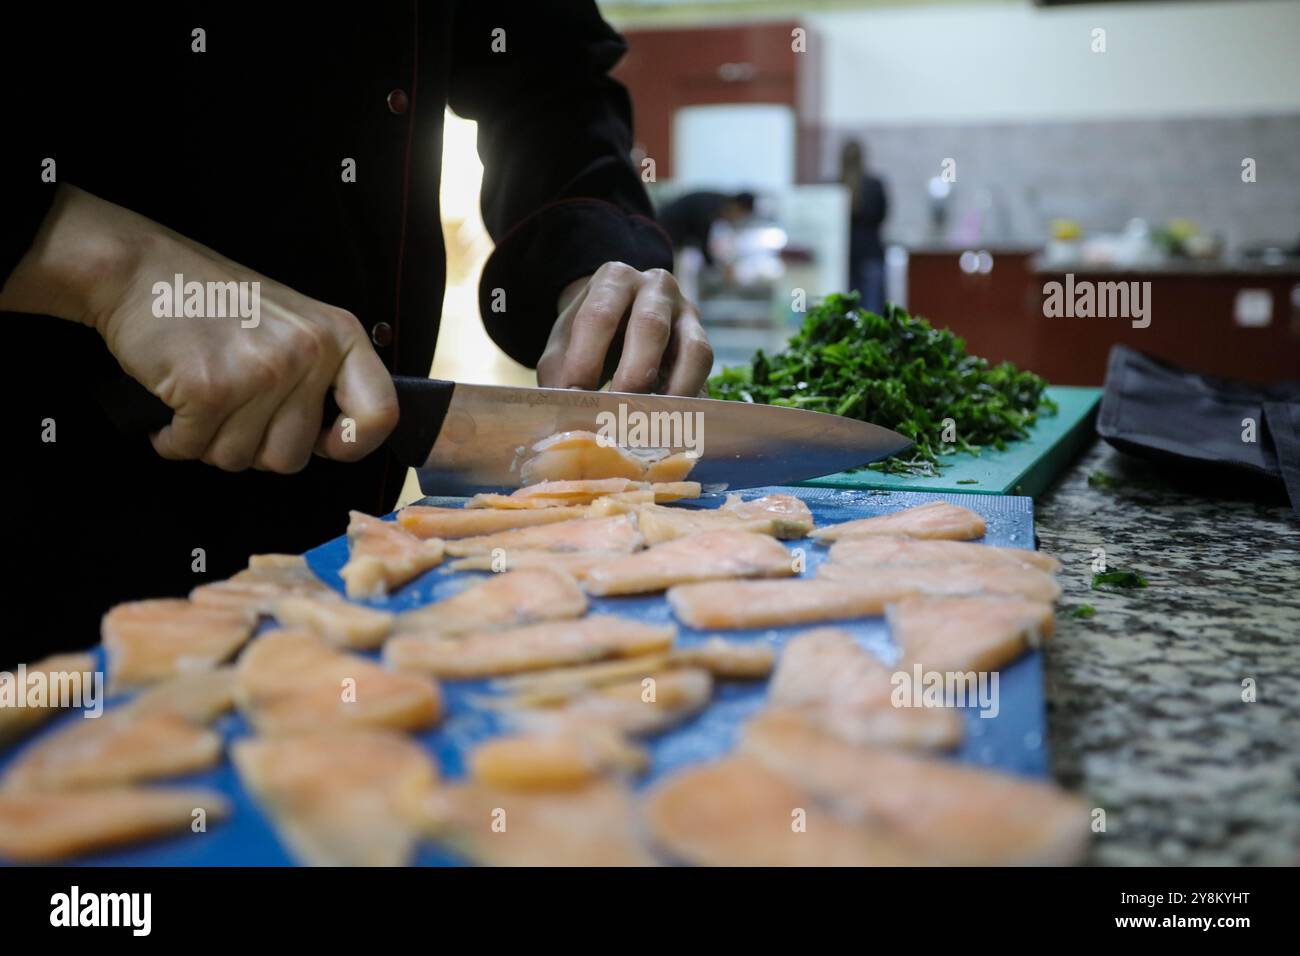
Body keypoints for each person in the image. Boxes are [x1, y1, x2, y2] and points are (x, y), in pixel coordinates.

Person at [0, 3, 712, 668]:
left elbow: (548, 74)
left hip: (330, 538)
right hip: (52, 493)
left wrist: (591, 257)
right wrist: (103, 266)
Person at [839, 140, 890, 314]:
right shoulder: (874, 185)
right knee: (873, 311)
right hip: (871, 254)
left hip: (845, 257)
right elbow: (883, 216)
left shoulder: (836, 186)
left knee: (848, 312)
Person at [656, 191, 757, 268]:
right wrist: (713, 265)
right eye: (740, 215)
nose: (737, 219)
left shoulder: (717, 202)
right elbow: (703, 238)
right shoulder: (710, 208)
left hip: (670, 232)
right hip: (665, 229)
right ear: (737, 206)